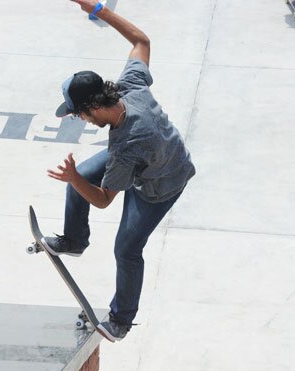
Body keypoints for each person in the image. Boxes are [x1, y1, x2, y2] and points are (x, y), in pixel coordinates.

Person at [45, 0, 196, 342]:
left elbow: (102, 200)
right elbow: (141, 41)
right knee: (80, 175)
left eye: (79, 115)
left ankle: (121, 320)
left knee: (126, 249)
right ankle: (75, 240)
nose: (81, 121)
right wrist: (98, 9)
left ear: (93, 106)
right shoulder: (129, 86)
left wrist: (74, 179)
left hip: (162, 183)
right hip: (154, 156)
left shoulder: (128, 145)